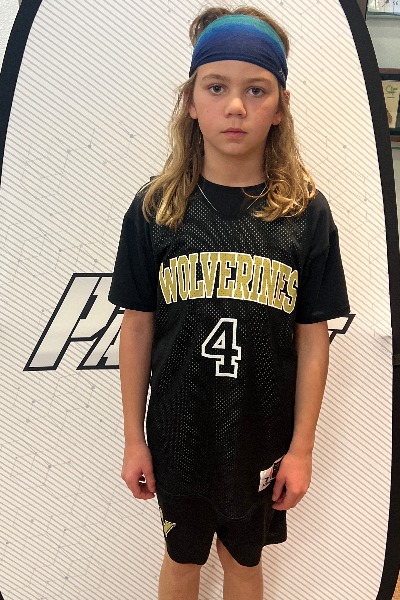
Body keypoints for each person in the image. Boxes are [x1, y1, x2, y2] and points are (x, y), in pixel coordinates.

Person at [108, 6, 350, 600]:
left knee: (243, 563)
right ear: (191, 101)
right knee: (181, 558)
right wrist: (134, 438)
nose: (236, 106)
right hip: (178, 431)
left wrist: (301, 448)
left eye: (256, 89)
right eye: (216, 87)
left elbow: (312, 338)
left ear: (281, 106)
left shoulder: (305, 214)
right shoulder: (156, 208)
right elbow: (136, 328)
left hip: (260, 435)